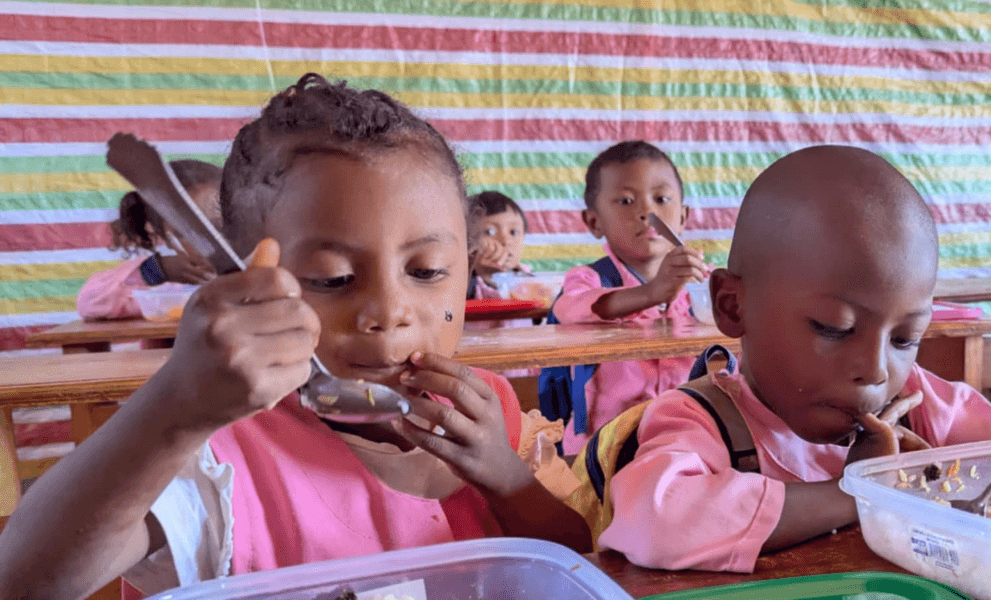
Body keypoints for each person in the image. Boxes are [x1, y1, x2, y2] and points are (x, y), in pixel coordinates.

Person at [0, 74, 586, 600]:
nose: (389, 311)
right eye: (332, 278)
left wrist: (507, 478)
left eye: (428, 270)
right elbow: (24, 580)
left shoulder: (488, 408)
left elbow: (574, 563)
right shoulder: (219, 457)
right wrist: (174, 408)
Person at [597, 145, 991, 572]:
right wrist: (864, 490)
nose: (875, 369)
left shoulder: (921, 404)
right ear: (732, 305)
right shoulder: (701, 421)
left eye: (905, 338)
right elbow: (655, 518)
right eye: (834, 328)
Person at [548, 140, 708, 454]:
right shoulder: (588, 279)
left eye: (661, 198)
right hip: (602, 448)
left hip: (691, 441)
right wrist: (652, 293)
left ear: (683, 216)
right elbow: (570, 309)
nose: (647, 212)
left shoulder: (706, 282)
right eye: (625, 201)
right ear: (594, 222)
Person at [76, 159, 222, 319]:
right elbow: (89, 303)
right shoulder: (167, 288)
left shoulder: (244, 272)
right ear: (163, 236)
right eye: (188, 234)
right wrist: (155, 271)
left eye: (222, 227)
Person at [467, 190, 530, 301]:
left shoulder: (531, 281)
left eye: (514, 232)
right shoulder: (461, 281)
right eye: (489, 231)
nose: (505, 241)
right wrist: (487, 276)